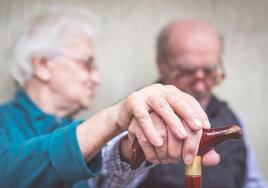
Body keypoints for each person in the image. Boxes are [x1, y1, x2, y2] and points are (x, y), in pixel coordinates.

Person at [0, 8, 220, 188]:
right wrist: (114, 117)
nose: (96, 78)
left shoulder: (76, 129)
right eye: (86, 63)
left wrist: (134, 146)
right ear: (43, 65)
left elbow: (104, 181)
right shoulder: (4, 121)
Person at [138, 19, 268, 188]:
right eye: (187, 71)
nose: (200, 85)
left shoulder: (231, 118)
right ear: (161, 63)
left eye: (209, 71)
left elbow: (252, 182)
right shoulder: (138, 117)